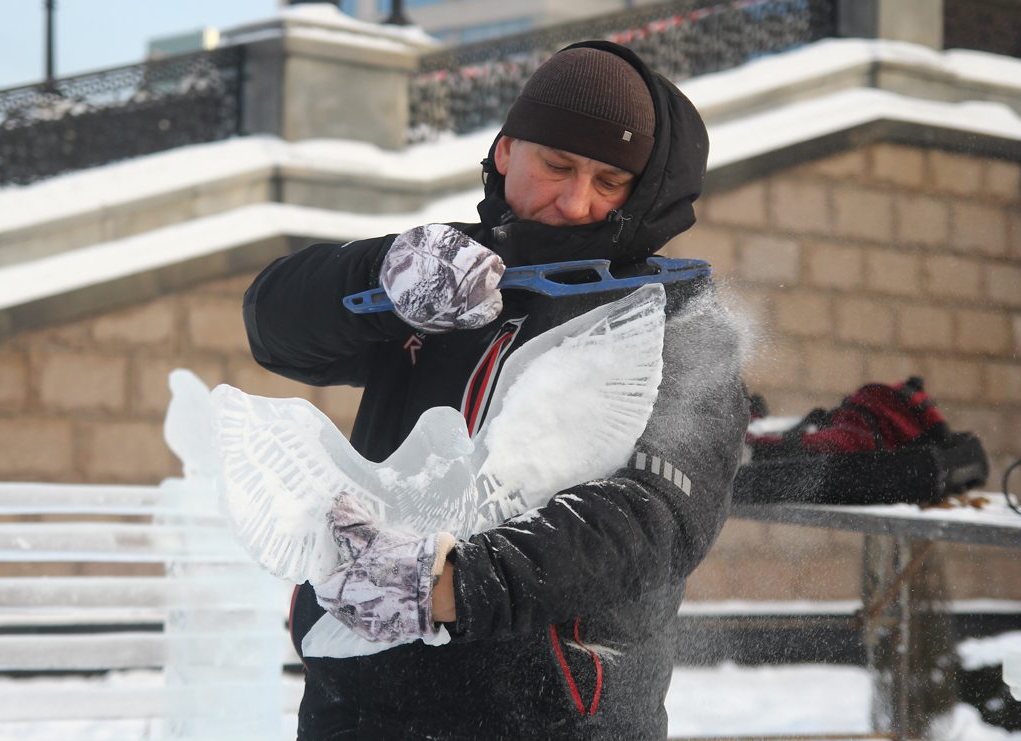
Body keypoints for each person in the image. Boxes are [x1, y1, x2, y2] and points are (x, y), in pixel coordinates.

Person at [243, 40, 747, 739]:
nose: (575, 201)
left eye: (610, 181)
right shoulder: (443, 267)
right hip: (358, 700)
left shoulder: (684, 321)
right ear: (506, 150)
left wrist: (456, 583)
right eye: (558, 165)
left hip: (555, 718)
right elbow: (272, 329)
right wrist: (379, 279)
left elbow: (655, 520)